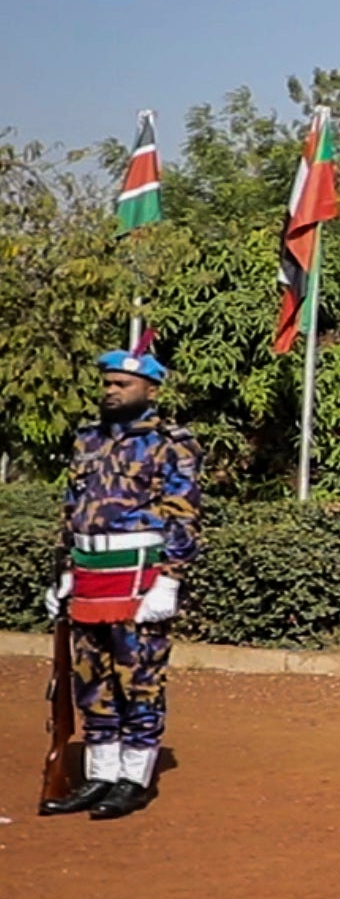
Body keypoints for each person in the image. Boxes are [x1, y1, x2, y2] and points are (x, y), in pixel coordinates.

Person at [38, 346, 202, 820]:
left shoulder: (172, 442)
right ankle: (100, 776)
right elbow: (72, 509)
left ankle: (133, 778)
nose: (110, 391)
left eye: (122, 384)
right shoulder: (87, 439)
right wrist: (65, 572)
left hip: (139, 576)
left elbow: (185, 515)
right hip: (90, 575)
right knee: (91, 680)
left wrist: (170, 579)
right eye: (107, 383)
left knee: (140, 679)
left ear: (151, 390)